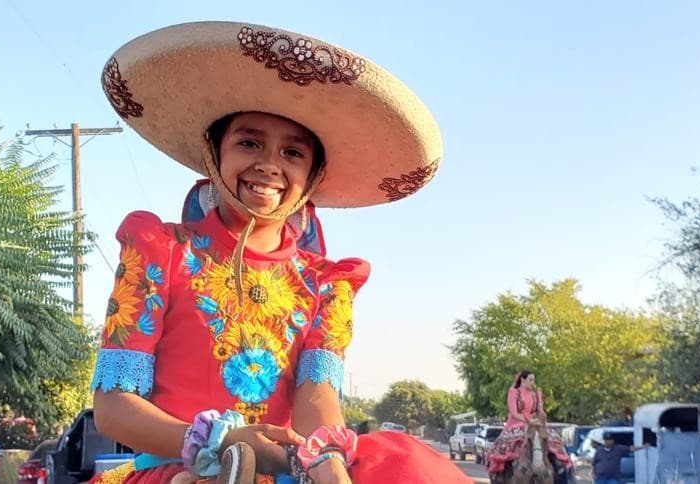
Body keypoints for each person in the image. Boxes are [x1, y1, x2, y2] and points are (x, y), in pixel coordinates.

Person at [88, 20, 464, 484]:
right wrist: (221, 444)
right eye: (249, 142)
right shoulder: (158, 252)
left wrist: (326, 463)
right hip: (179, 469)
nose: (269, 165)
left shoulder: (327, 285)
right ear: (214, 154)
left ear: (313, 178)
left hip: (285, 470)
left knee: (410, 467)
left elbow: (317, 398)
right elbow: (112, 406)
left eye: (293, 153)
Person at [484, 371, 573, 479]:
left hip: (534, 423)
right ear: (522, 380)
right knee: (502, 447)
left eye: (533, 380)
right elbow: (514, 412)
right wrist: (527, 421)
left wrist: (541, 413)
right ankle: (501, 475)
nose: (532, 382)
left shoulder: (534, 393)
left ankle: (560, 469)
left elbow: (539, 411)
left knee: (555, 441)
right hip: (516, 424)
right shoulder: (514, 391)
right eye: (530, 380)